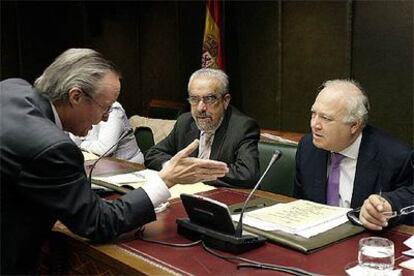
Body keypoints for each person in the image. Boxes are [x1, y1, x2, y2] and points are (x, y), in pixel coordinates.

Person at [0, 48, 228, 274]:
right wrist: (165, 181)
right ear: (75, 96)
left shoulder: (12, 89)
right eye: (105, 107)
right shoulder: (53, 148)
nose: (107, 117)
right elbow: (97, 223)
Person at [293, 79, 412, 228]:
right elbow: (299, 204)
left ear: (354, 125)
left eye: (325, 118)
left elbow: (409, 201)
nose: (314, 125)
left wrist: (389, 206)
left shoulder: (395, 156)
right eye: (313, 114)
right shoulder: (308, 147)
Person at [144, 68, 260, 188]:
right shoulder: (185, 121)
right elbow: (152, 154)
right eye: (194, 99)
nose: (200, 108)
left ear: (225, 101)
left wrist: (195, 171)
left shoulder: (242, 127)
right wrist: (174, 168)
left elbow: (247, 174)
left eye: (209, 99)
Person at [70, 101, 144, 163]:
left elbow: (104, 149)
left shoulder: (113, 109)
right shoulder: (78, 108)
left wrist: (81, 144)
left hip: (127, 165)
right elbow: (71, 140)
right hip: (95, 164)